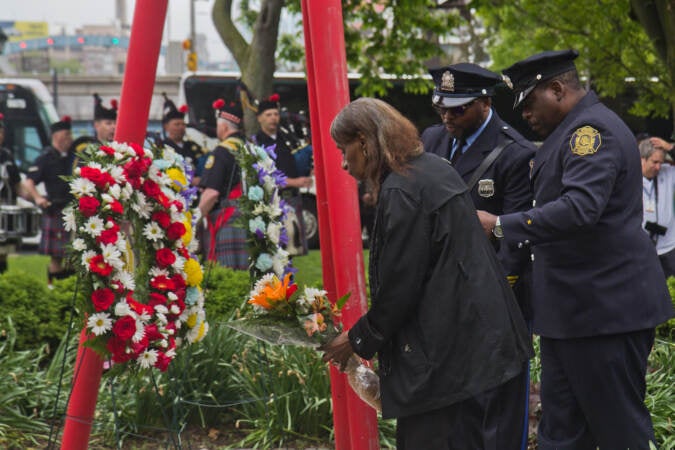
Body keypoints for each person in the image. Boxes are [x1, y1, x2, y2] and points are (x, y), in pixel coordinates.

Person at [477, 49, 674, 449]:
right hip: (572, 313)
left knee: (619, 431)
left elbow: (580, 209)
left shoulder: (590, 133)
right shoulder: (569, 132)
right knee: (562, 434)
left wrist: (500, 225)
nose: (525, 115)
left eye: (529, 103)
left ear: (557, 89)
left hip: (605, 313)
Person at [321, 98, 533, 450]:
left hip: (447, 358)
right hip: (475, 344)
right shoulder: (432, 167)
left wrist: (357, 340)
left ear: (364, 141)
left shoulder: (402, 189)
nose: (344, 163)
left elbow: (401, 285)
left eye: (345, 151)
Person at [422, 63, 536, 449]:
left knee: (499, 414)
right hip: (444, 298)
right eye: (442, 107)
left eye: (458, 109)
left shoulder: (514, 153)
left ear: (485, 103)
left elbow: (515, 244)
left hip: (494, 303)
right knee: (457, 413)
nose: (447, 117)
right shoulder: (434, 140)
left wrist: (491, 297)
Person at [252, 94, 312, 256]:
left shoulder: (287, 138)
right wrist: (294, 182)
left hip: (291, 198)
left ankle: (288, 281)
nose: (273, 118)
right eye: (268, 115)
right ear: (259, 118)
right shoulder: (255, 143)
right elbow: (262, 177)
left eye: (276, 114)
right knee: (272, 250)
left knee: (291, 249)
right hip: (271, 202)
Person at [24, 115, 76, 286]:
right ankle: (52, 287)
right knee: (56, 256)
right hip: (55, 209)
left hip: (72, 210)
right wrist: (38, 198)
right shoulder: (46, 157)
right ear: (57, 136)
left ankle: (66, 288)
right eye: (66, 135)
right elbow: (30, 181)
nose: (69, 139)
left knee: (73, 255)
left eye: (70, 135)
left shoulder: (73, 157)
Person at [198, 98, 248, 269]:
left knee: (226, 273)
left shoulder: (221, 152)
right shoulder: (250, 149)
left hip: (227, 219)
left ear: (224, 127)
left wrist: (195, 218)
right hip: (250, 218)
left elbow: (211, 194)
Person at [0, 113, 31, 273]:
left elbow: (17, 185)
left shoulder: (7, 156)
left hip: (7, 211)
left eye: (1, 132)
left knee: (6, 255)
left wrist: (35, 199)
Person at [639, 138, 675, 276]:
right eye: (655, 162)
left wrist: (670, 148)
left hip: (669, 247)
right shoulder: (630, 177)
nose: (659, 167)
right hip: (643, 250)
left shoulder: (668, 173)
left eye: (661, 162)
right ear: (642, 159)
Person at [161, 93, 205, 186]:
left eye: (183, 124)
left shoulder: (192, 146)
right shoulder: (161, 146)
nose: (181, 127)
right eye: (177, 124)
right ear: (166, 127)